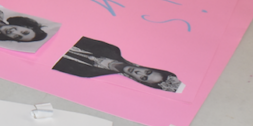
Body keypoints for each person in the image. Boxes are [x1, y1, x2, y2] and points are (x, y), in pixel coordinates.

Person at [53, 37, 183, 93]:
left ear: (139, 81)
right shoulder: (112, 49)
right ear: (148, 67)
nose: (139, 73)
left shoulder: (87, 74)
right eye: (147, 72)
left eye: (143, 78)